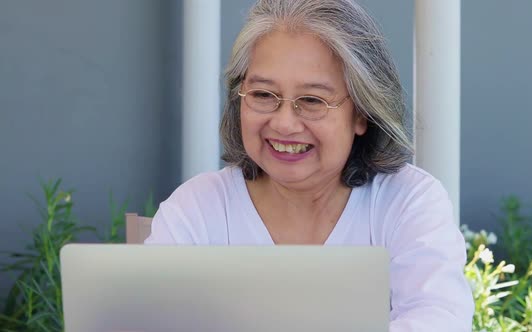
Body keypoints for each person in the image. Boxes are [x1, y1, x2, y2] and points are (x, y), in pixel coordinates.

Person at [145, 0, 474, 330]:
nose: (284, 124)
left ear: (361, 112)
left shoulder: (407, 201)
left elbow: (438, 318)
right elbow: (146, 317)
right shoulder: (197, 207)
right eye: (263, 95)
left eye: (312, 101)